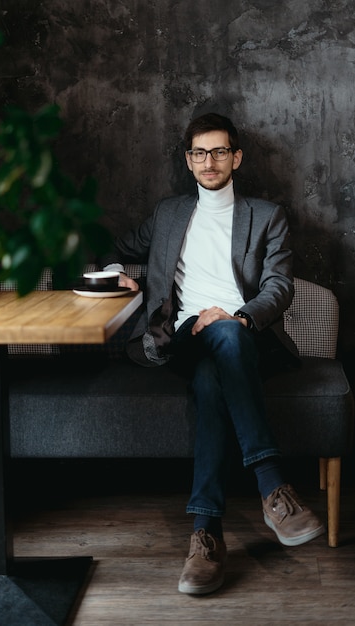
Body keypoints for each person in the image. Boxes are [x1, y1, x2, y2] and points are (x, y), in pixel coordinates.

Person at [101, 112, 325, 595]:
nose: (209, 161)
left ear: (236, 157)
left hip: (245, 338)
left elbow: (279, 287)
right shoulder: (168, 214)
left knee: (211, 373)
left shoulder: (267, 216)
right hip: (178, 337)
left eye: (220, 151)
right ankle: (273, 488)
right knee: (207, 346)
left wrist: (238, 318)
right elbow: (114, 247)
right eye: (199, 152)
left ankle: (205, 535)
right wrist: (117, 270)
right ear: (188, 160)